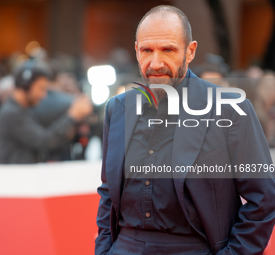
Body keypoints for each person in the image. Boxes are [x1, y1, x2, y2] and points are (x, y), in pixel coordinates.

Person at [95, 5, 275, 255]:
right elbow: (108, 193)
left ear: (190, 52)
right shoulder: (117, 109)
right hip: (124, 246)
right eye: (147, 50)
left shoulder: (230, 109)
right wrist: (104, 250)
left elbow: (264, 198)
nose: (155, 62)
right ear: (136, 51)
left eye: (167, 49)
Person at [0, 64, 92, 164]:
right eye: (41, 89)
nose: (44, 95)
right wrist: (72, 115)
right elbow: (44, 141)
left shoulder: (22, 110)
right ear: (25, 85)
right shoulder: (11, 114)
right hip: (13, 177)